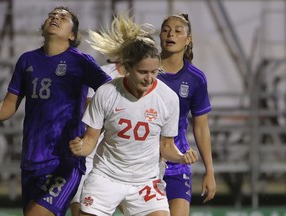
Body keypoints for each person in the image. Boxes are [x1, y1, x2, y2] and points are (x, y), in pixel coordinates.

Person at [69, 14, 199, 216]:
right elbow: (90, 141)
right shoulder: (106, 93)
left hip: (145, 182)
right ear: (127, 68)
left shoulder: (168, 98)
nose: (149, 79)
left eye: (154, 72)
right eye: (143, 72)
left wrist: (182, 158)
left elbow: (166, 147)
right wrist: (80, 147)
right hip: (106, 178)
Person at [0, 6, 111, 216]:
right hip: (31, 160)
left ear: (72, 35)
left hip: (64, 160)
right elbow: (8, 106)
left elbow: (111, 95)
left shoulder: (81, 61)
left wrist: (90, 132)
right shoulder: (27, 60)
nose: (55, 17)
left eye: (63, 17)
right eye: (52, 15)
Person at [157, 14, 217, 216]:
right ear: (160, 36)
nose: (171, 34)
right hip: (143, 160)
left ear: (188, 39)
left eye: (177, 30)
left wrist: (209, 171)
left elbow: (201, 127)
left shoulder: (196, 78)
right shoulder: (145, 71)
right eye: (166, 29)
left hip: (177, 161)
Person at [70, 62, 122, 216]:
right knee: (81, 203)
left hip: (125, 158)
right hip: (92, 152)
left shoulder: (152, 77)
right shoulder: (104, 73)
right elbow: (88, 108)